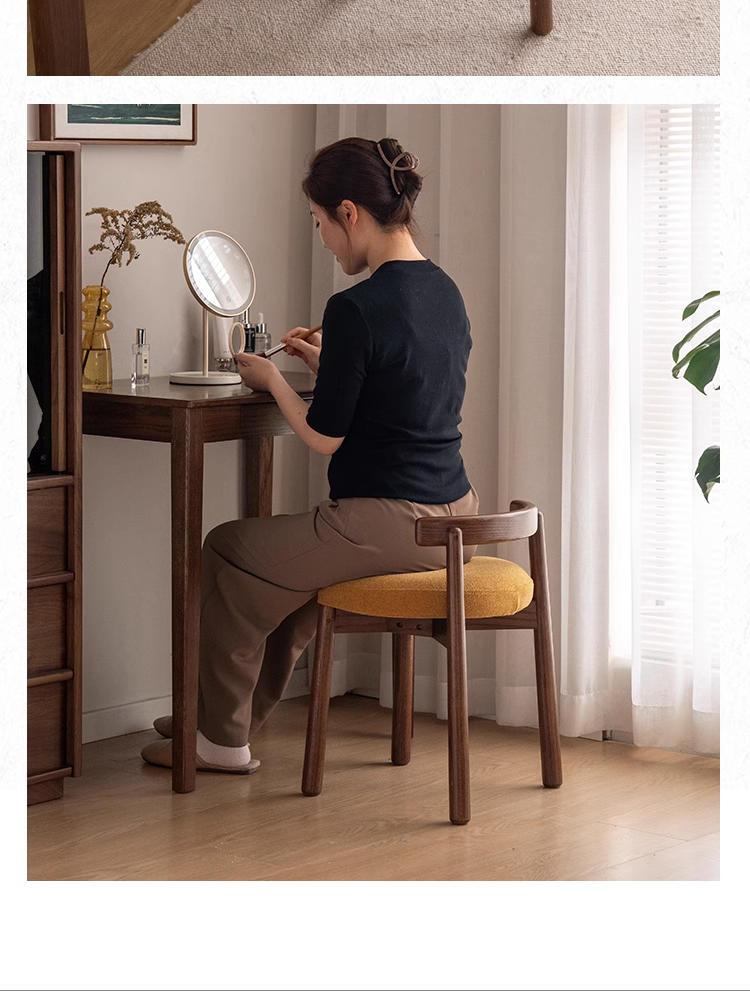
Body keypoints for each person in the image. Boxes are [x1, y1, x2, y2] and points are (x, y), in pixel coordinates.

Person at [141, 136, 479, 774]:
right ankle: (220, 715)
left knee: (226, 549)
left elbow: (327, 436)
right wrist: (329, 364)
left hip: (388, 522)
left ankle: (218, 739)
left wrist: (270, 381)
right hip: (454, 513)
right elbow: (404, 390)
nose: (322, 238)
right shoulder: (446, 291)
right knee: (292, 582)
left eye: (321, 222)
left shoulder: (355, 306)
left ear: (350, 213)